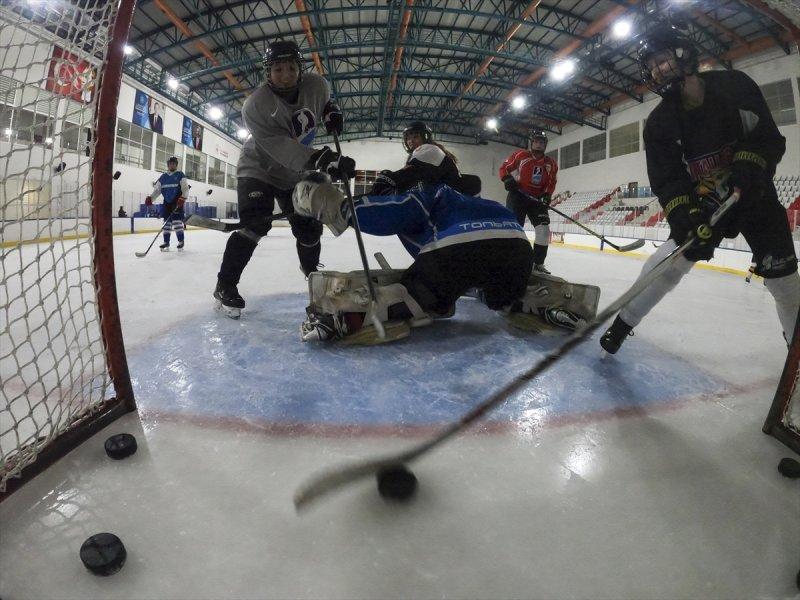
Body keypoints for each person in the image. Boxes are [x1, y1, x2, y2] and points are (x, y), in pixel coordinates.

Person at [600, 24, 799, 354]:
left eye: (661, 61)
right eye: (650, 68)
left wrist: (750, 164)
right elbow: (667, 179)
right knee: (669, 263)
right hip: (707, 202)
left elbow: (768, 139)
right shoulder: (659, 124)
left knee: (784, 278)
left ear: (683, 54)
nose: (656, 71)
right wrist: (684, 212)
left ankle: (796, 347)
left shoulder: (736, 87)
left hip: (755, 196)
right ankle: (623, 325)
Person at [291, 172, 596, 342]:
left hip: (459, 247)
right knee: (497, 293)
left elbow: (393, 211)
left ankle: (346, 317)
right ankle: (540, 300)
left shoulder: (432, 195)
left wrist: (340, 206)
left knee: (414, 293)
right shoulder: (478, 202)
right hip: (516, 245)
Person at [213, 39, 355, 319]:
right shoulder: (255, 106)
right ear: (268, 72)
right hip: (259, 168)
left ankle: (312, 275)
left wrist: (331, 111)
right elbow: (281, 148)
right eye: (278, 70)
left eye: (291, 68)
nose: (286, 75)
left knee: (309, 229)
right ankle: (224, 286)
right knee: (255, 224)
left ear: (300, 69)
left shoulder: (318, 85)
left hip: (295, 172)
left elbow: (324, 102)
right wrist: (324, 159)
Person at [498, 129, 558, 274]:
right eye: (536, 141)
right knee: (514, 230)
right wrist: (507, 179)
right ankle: (510, 261)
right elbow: (504, 168)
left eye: (542, 142)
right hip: (518, 196)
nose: (539, 144)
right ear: (532, 143)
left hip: (536, 200)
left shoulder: (551, 163)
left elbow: (551, 182)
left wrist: (547, 195)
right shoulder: (521, 155)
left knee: (543, 230)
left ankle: (538, 264)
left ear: (545, 145)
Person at [372, 121, 481, 196]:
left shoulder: (428, 149)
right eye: (408, 138)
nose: (411, 141)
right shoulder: (429, 153)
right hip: (445, 196)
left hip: (447, 198)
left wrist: (386, 178)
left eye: (415, 136)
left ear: (425, 137)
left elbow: (407, 174)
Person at [147, 155, 188, 251]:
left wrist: (183, 198)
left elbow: (185, 188)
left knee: (177, 222)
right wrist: (150, 198)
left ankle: (181, 242)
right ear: (168, 165)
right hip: (167, 203)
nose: (172, 165)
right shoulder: (163, 177)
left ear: (176, 165)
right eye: (170, 164)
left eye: (174, 163)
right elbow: (157, 190)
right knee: (166, 223)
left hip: (177, 202)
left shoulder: (180, 175)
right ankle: (166, 242)